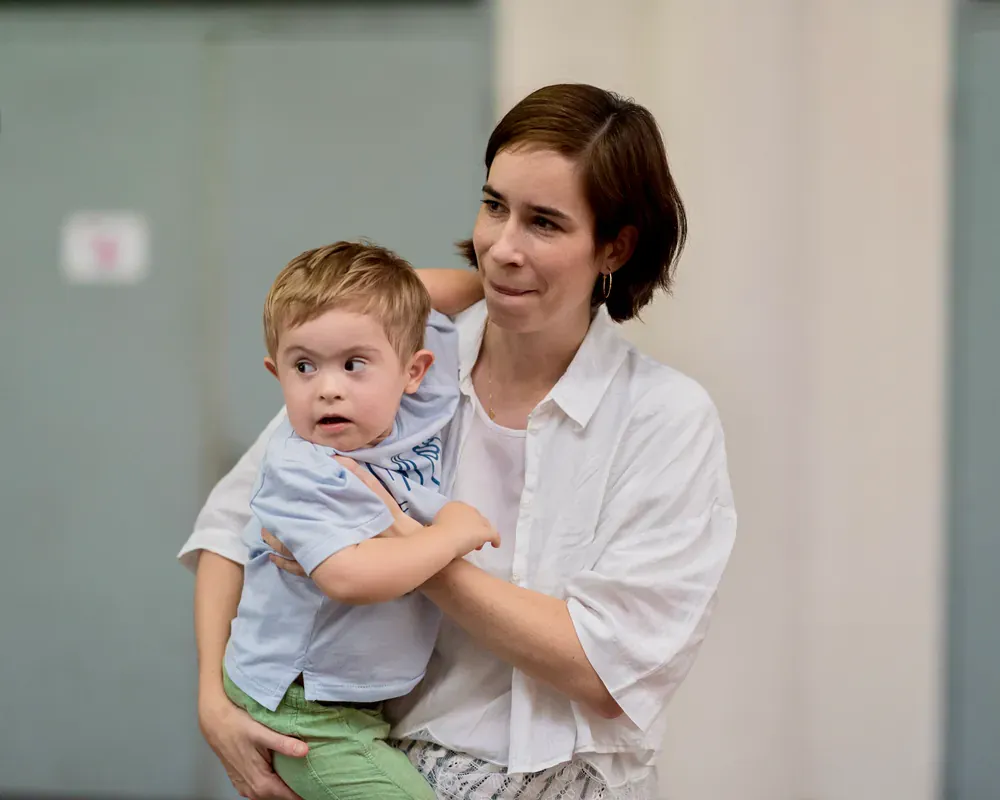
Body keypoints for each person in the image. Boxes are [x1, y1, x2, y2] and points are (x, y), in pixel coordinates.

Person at [179, 83, 738, 800]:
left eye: (544, 223)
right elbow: (231, 527)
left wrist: (399, 547)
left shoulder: (665, 418)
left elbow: (605, 669)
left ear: (615, 246)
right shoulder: (395, 365)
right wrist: (213, 704)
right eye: (494, 205)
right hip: (385, 754)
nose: (502, 246)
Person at [217, 240, 499, 800]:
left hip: (355, 699)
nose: (328, 387)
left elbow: (423, 296)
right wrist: (450, 535)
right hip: (304, 712)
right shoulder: (302, 463)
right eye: (304, 366)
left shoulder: (417, 403)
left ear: (414, 371)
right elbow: (349, 576)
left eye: (353, 364)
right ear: (277, 373)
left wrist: (502, 281)